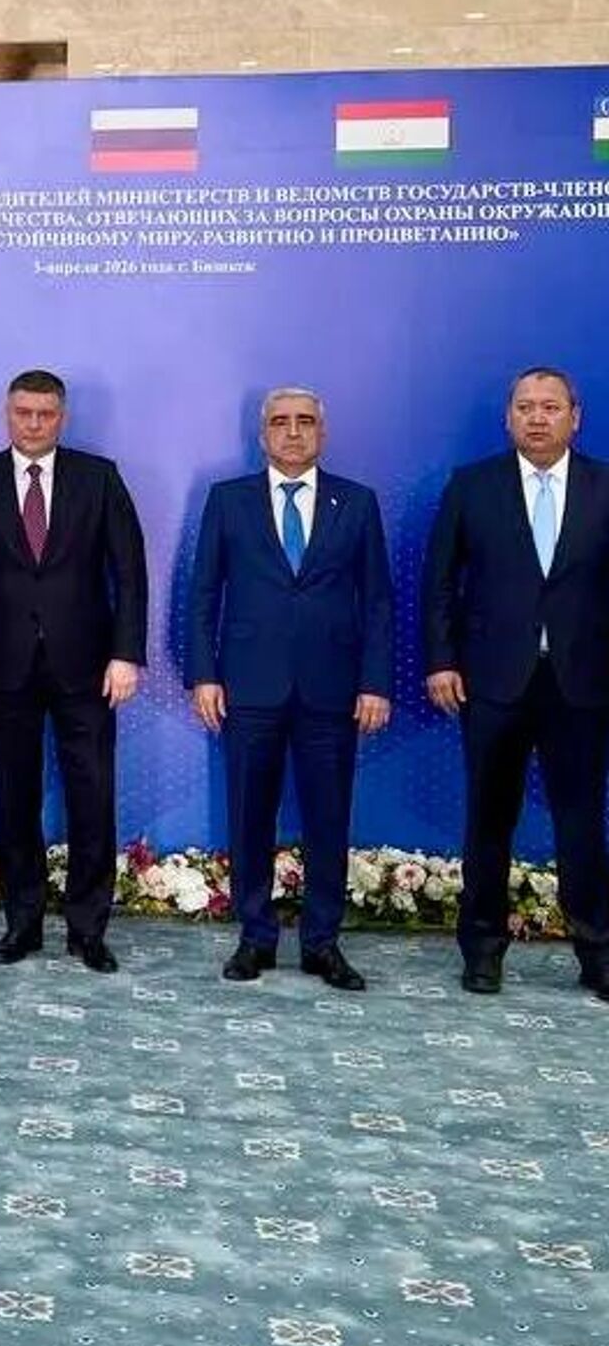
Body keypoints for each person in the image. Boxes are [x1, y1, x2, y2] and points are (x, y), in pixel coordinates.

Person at [0, 369, 148, 973]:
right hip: (2, 666)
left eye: (45, 414)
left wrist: (126, 654)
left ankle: (88, 930)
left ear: (62, 417)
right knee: (16, 797)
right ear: (7, 413)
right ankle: (21, 924)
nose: (33, 424)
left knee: (93, 798)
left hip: (88, 667)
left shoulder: (99, 478)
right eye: (23, 412)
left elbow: (130, 573)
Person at [186, 387, 393, 990]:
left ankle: (322, 943)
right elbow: (203, 594)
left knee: (329, 819)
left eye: (305, 422)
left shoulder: (357, 502)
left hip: (333, 690)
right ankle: (255, 937)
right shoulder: (228, 499)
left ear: (322, 433)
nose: (294, 432)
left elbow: (378, 601)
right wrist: (204, 674)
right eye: (281, 422)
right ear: (263, 434)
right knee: (250, 817)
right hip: (249, 687)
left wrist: (375, 682)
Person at [423, 366, 609, 1002]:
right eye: (525, 407)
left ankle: (598, 952)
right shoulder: (472, 486)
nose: (537, 417)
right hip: (492, 682)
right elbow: (439, 582)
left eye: (550, 407)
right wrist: (442, 661)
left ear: (574, 418)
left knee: (581, 823)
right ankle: (482, 951)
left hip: (582, 685)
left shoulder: (604, 486)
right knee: (489, 819)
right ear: (508, 419)